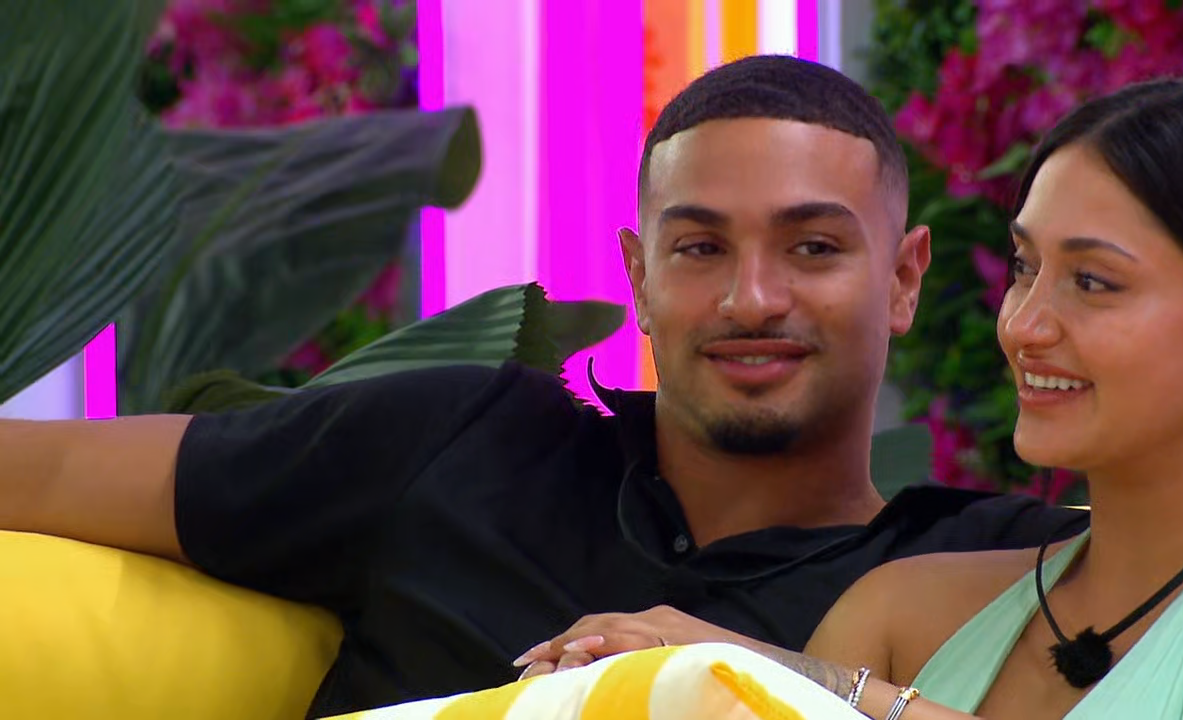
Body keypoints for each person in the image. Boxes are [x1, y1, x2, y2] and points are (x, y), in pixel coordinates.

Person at [0, 56, 1083, 718]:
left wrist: (764, 673)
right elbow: (33, 474)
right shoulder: (463, 442)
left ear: (902, 280)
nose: (751, 298)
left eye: (812, 248)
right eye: (699, 248)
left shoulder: (991, 571)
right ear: (638, 281)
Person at [523, 72, 1183, 719]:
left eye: (1093, 281)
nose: (1024, 326)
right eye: (1024, 267)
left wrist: (811, 685)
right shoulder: (899, 611)